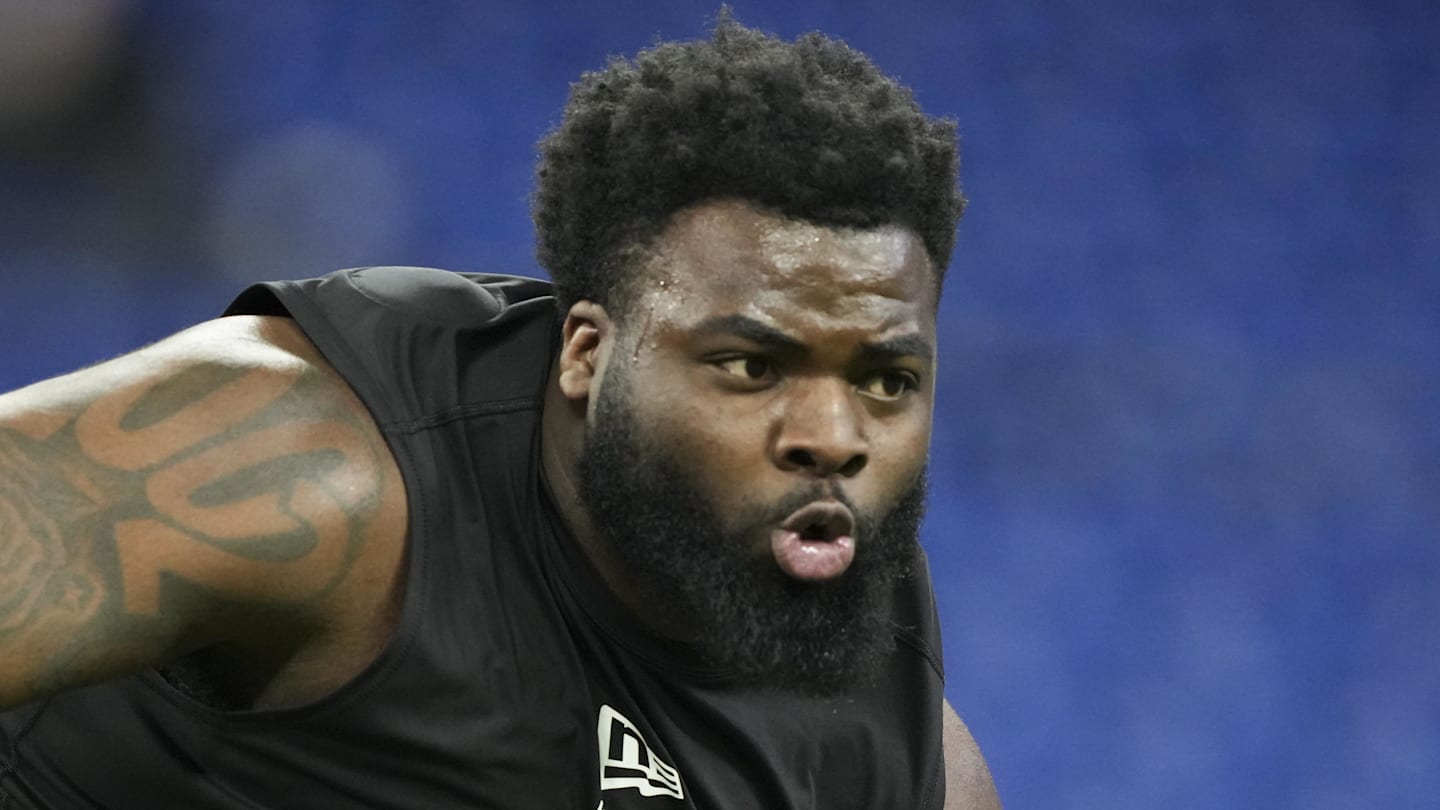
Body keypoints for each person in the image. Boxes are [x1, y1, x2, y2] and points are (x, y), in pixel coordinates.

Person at [0, 16, 1000, 810]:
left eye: (886, 381)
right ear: (588, 355)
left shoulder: (891, 755)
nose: (831, 435)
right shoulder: (312, 466)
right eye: (749, 364)